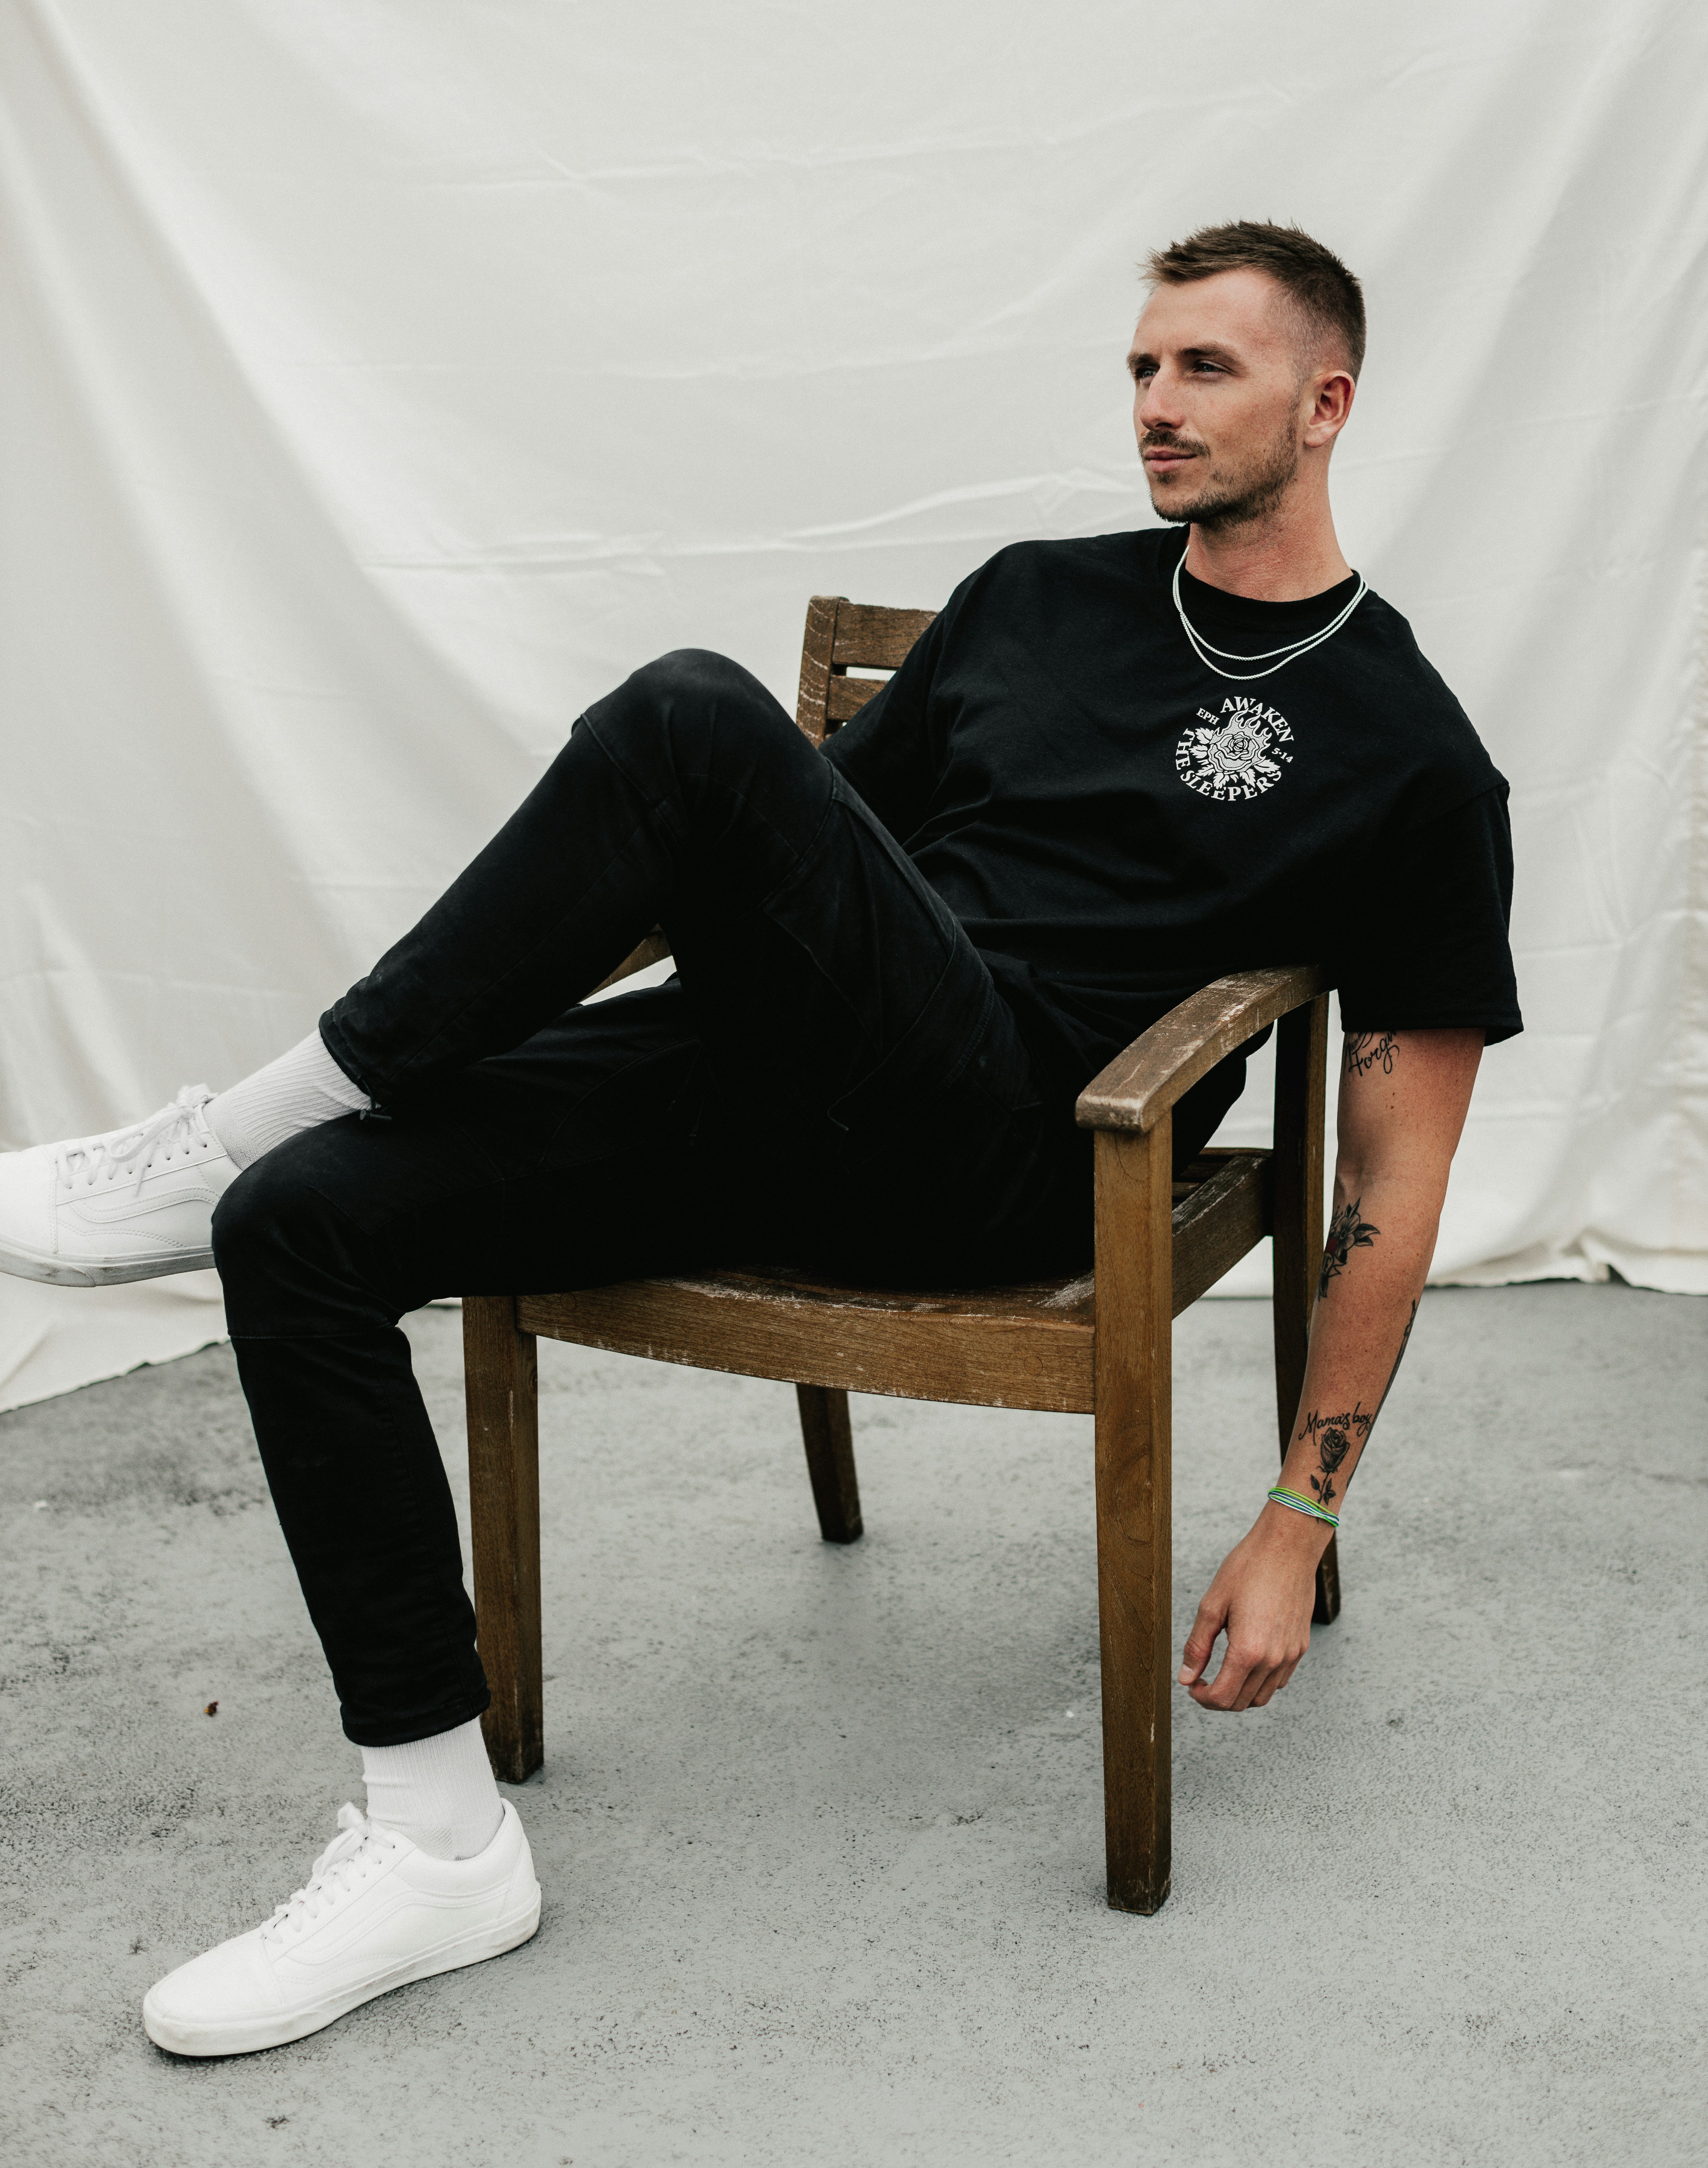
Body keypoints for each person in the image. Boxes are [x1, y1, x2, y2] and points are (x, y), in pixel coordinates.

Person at [0, 221, 1519, 2055]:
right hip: (784, 1079)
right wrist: (521, 1023)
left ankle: (232, 1125)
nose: (1155, 406)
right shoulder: (1038, 594)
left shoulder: (1408, 753)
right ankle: (437, 1836)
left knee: (689, 713)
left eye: (1206, 369)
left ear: (1327, 401)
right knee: (304, 1227)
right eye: (1138, 367)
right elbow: (784, 858)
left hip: (1015, 1147)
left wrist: (1294, 1515)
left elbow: (1389, 1190)